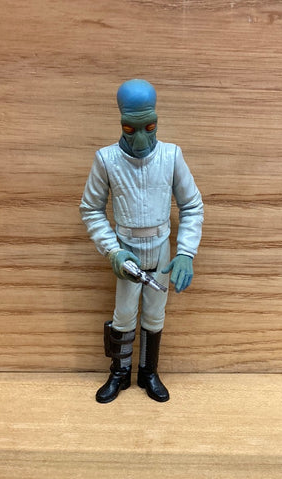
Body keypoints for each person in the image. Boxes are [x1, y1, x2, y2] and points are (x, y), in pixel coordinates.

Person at [80, 79, 203, 403]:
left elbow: (191, 205)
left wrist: (186, 252)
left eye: (149, 127)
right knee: (123, 314)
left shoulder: (171, 156)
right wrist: (113, 251)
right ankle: (119, 372)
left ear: (156, 119)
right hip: (127, 249)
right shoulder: (106, 160)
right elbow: (91, 208)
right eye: (130, 129)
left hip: (161, 249)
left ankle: (148, 372)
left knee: (154, 314)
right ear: (121, 121)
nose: (140, 139)